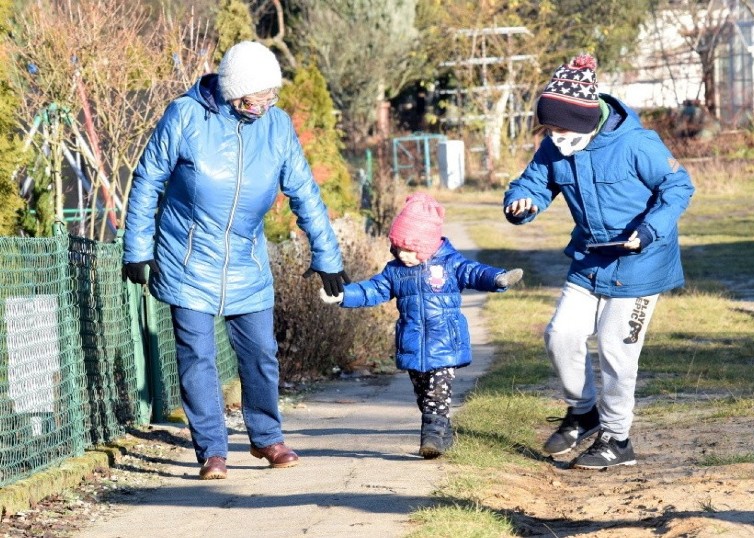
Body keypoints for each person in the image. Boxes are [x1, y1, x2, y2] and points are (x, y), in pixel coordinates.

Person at [122, 41, 349, 480]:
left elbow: (304, 191)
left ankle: (266, 438)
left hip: (247, 260)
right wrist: (138, 248)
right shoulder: (186, 116)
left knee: (262, 353)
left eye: (272, 94)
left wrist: (327, 255)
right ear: (235, 91)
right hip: (188, 257)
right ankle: (212, 451)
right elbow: (148, 179)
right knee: (197, 358)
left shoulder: (277, 127)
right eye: (261, 94)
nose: (269, 102)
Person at [503, 54, 694, 469]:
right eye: (548, 129)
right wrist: (521, 203)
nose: (554, 136)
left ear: (587, 120)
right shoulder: (554, 146)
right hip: (590, 259)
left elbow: (678, 187)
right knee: (560, 334)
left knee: (614, 348)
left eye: (560, 128)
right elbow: (532, 183)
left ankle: (617, 439)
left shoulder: (637, 144)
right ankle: (583, 411)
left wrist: (648, 230)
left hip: (641, 262)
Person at [320, 193, 523, 458]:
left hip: (444, 343)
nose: (404, 255)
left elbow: (475, 272)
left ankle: (431, 440)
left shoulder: (451, 264)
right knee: (424, 396)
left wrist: (497, 278)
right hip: (412, 344)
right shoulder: (395, 271)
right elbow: (374, 290)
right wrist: (344, 295)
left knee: (437, 395)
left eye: (410, 248)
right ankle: (444, 434)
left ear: (427, 244)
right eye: (398, 248)